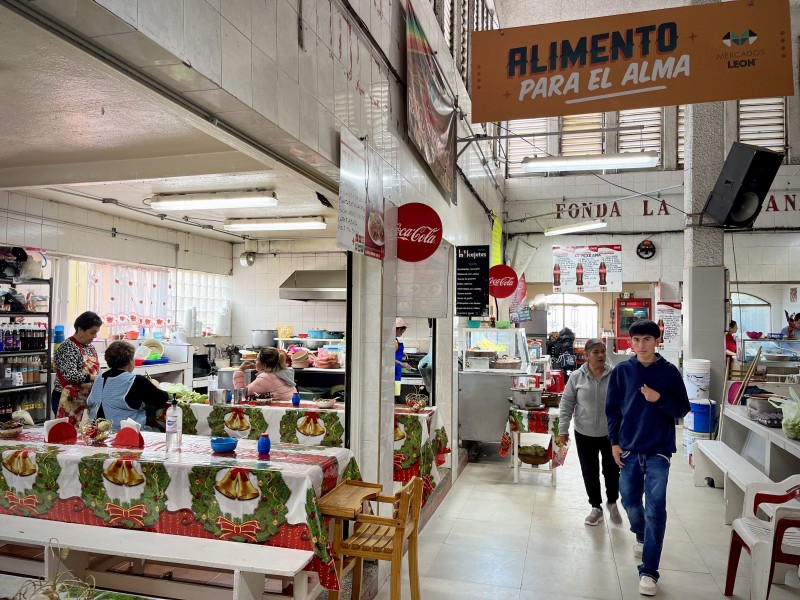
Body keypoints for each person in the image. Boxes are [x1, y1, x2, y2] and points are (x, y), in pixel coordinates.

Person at [606, 319, 690, 597]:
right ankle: (640, 533)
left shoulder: (669, 373)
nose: (641, 345)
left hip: (658, 451)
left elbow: (683, 408)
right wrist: (614, 443)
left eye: (647, 340)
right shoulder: (622, 372)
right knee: (629, 499)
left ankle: (649, 571)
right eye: (636, 340)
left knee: (655, 509)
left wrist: (659, 399)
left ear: (657, 341)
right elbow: (612, 411)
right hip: (628, 449)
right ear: (630, 342)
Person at [558, 338, 621, 527]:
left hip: (610, 432)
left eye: (603, 351)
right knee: (589, 471)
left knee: (612, 470)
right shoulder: (576, 376)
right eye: (596, 352)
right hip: (584, 432)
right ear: (586, 356)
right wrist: (563, 429)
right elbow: (567, 403)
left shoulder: (616, 375)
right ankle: (596, 507)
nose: (601, 355)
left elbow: (625, 403)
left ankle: (612, 501)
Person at [87, 341, 169, 430]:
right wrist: (155, 384)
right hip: (126, 434)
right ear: (130, 361)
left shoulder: (98, 379)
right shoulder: (136, 380)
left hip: (97, 434)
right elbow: (162, 399)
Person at [53, 311, 102, 425]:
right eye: (92, 332)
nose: (94, 336)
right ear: (80, 330)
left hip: (84, 398)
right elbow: (71, 376)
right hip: (67, 399)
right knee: (66, 435)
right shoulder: (68, 347)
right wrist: (95, 377)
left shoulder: (90, 348)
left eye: (96, 333)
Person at [395, 318, 411, 403]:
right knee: (392, 397)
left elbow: (394, 351)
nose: (402, 333)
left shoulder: (395, 339)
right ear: (398, 329)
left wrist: (402, 352)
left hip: (396, 372)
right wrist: (402, 364)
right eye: (402, 332)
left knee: (395, 395)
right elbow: (388, 357)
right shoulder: (392, 341)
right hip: (393, 372)